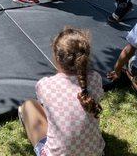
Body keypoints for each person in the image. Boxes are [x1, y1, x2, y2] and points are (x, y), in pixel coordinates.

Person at [18, 27, 105, 156]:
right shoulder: (96, 79)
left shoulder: (44, 85)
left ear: (57, 58)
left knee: (28, 106)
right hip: (95, 152)